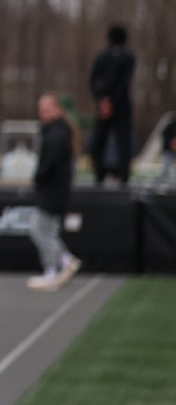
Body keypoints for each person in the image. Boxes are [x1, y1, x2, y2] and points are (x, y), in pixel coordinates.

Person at [29, 93, 82, 290]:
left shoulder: (57, 133)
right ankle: (56, 268)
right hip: (56, 190)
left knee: (39, 230)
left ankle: (60, 264)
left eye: (48, 108)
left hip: (53, 191)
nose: (43, 112)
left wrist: (38, 177)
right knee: (46, 231)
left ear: (58, 109)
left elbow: (49, 164)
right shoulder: (56, 130)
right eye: (41, 108)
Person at [88, 24, 135, 185]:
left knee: (99, 140)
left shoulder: (102, 57)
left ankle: (99, 173)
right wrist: (112, 101)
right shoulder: (128, 58)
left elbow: (94, 81)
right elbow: (123, 84)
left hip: (105, 106)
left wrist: (103, 100)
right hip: (120, 106)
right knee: (123, 141)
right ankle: (123, 176)